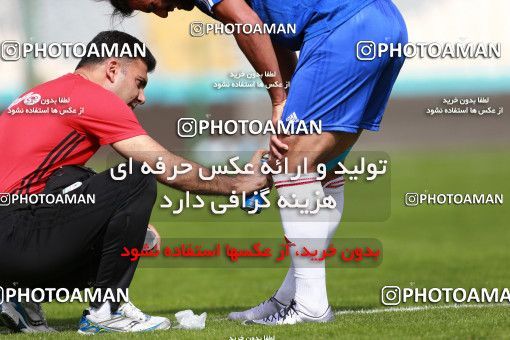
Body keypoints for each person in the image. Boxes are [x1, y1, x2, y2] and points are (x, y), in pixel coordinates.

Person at [105, 0, 408, 325]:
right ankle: (292, 297)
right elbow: (268, 32)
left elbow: (245, 21)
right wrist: (288, 98)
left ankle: (310, 306)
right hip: (384, 24)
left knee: (291, 161)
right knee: (323, 166)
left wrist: (279, 101)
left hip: (343, 27)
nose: (163, 13)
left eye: (151, 5)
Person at [0, 30, 268, 334]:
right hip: (15, 235)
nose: (142, 97)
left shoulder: (43, 94)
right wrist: (238, 184)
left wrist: (123, 224)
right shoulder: (91, 96)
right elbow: (165, 166)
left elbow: (52, 183)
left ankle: (18, 294)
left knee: (76, 180)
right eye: (139, 83)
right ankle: (107, 310)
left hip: (12, 240)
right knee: (136, 175)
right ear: (113, 70)